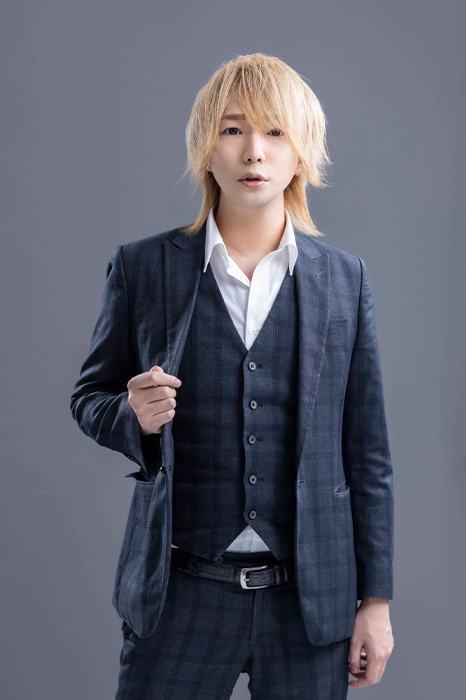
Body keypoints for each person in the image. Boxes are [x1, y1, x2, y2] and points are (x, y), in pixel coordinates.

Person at [70, 52, 394, 699]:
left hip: (308, 604)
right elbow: (89, 397)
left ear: (301, 155)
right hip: (180, 594)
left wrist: (376, 601)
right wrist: (131, 416)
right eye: (233, 129)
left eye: (276, 132)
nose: (254, 152)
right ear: (206, 150)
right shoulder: (143, 268)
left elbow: (368, 455)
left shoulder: (344, 279)